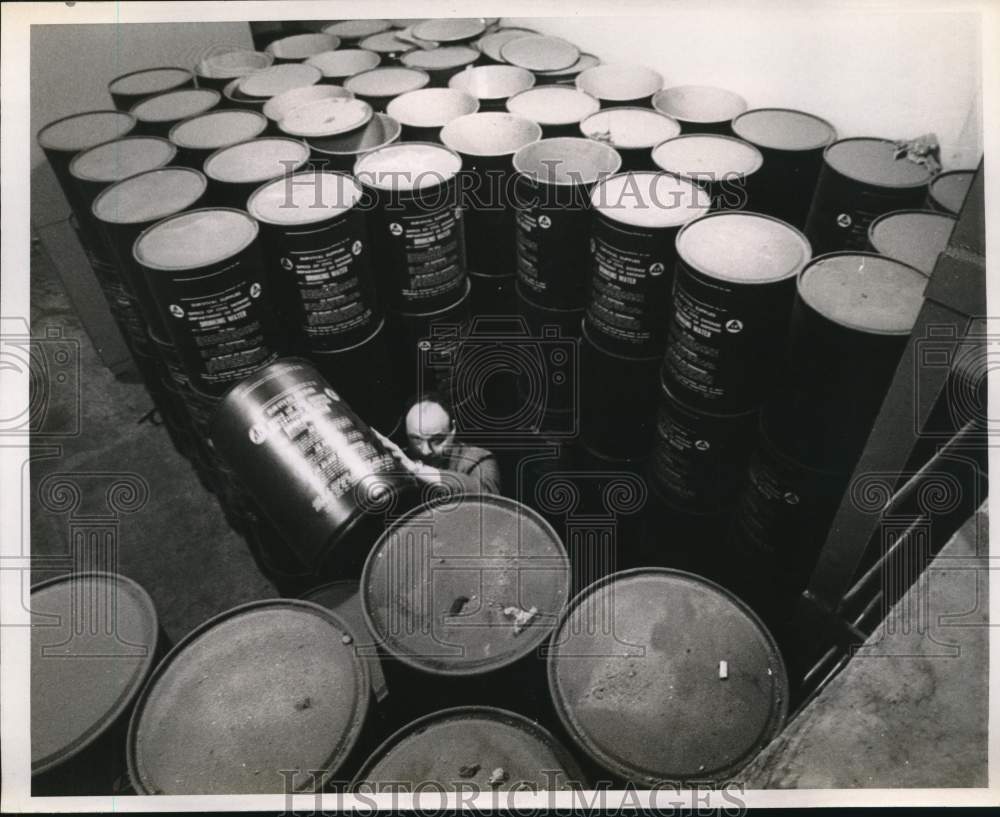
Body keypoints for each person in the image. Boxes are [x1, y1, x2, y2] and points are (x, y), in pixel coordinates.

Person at [374, 393, 502, 495]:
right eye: (416, 440)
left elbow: (489, 497)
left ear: (453, 429)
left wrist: (417, 469)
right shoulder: (398, 460)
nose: (425, 451)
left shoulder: (479, 458)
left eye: (436, 440)